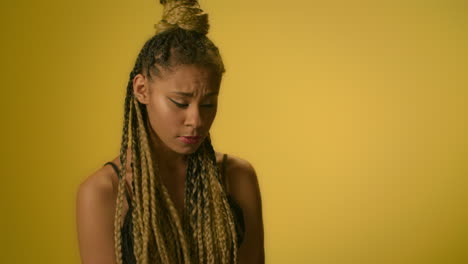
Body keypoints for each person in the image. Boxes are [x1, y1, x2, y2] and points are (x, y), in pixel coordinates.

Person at [75, 0, 264, 263]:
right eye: (180, 102)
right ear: (142, 90)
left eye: (209, 103)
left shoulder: (237, 177)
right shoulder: (103, 192)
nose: (196, 120)